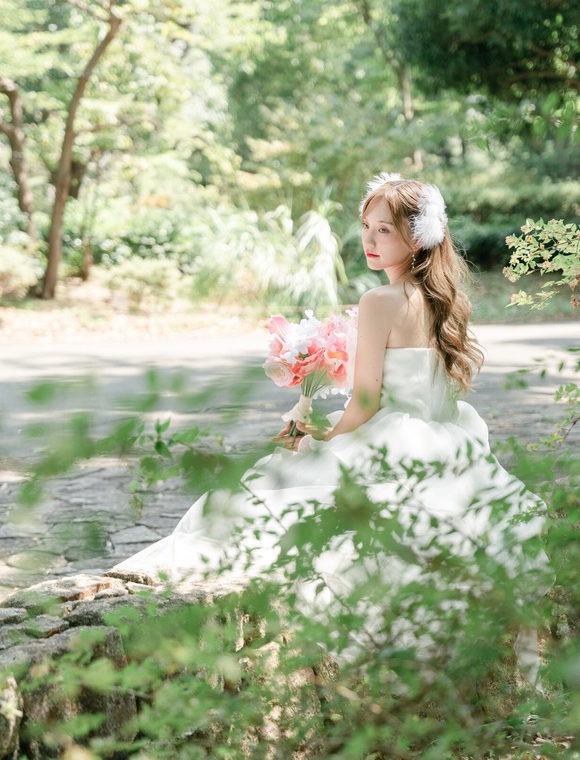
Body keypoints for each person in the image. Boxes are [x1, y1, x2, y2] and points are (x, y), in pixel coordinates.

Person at [110, 173, 548, 678]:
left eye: (384, 230)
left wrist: (318, 439)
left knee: (256, 498)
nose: (369, 240)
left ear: (417, 238)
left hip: (391, 434)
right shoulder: (443, 300)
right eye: (366, 226)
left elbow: (364, 402)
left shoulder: (380, 301)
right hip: (445, 439)